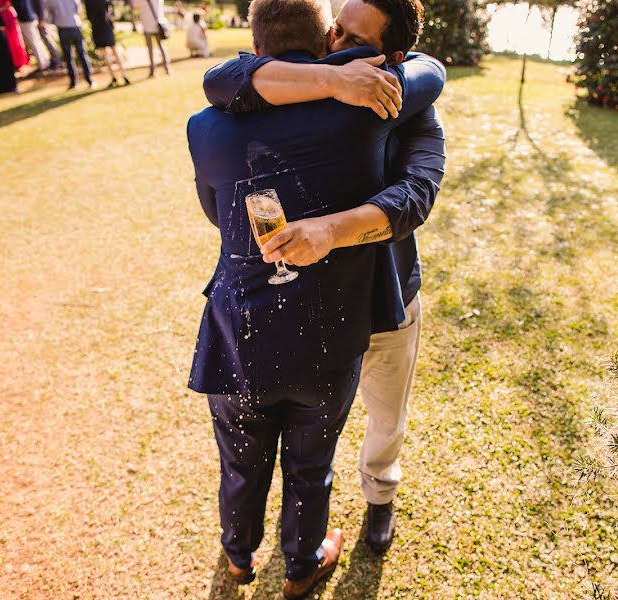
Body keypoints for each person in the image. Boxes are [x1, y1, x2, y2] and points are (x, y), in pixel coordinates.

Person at [187, 0, 444, 596]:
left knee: (375, 418)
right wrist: (332, 79)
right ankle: (300, 565)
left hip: (383, 294)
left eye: (353, 40)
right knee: (310, 459)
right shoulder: (334, 101)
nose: (337, 42)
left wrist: (331, 229)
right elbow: (220, 77)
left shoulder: (399, 103)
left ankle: (355, 507)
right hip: (330, 324)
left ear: (392, 60)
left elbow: (415, 198)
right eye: (334, 29)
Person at [43, 0, 93, 88]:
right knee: (81, 54)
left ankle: (74, 82)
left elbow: (48, 17)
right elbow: (78, 10)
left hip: (63, 28)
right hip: (75, 26)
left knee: (69, 56)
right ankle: (89, 80)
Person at [84, 0, 128, 86]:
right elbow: (111, 10)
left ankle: (115, 76)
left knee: (106, 53)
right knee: (113, 51)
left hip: (98, 28)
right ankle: (122, 74)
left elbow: (89, 16)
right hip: (105, 26)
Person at [131, 0, 168, 76]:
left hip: (147, 25)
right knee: (161, 46)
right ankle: (166, 67)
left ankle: (153, 70)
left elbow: (134, 4)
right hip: (158, 23)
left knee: (150, 48)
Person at [13, 0, 47, 72]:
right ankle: (44, 62)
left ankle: (42, 65)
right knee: (36, 41)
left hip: (26, 19)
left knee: (34, 43)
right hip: (31, 17)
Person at [0, 0, 26, 69]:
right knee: (7, 41)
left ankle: (19, 62)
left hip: (8, 15)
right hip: (0, 18)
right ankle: (11, 62)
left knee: (14, 39)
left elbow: (10, 3)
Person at [31, 0, 61, 69]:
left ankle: (56, 60)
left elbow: (41, 4)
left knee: (46, 38)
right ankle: (51, 60)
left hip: (41, 19)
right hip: (37, 18)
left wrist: (42, 19)